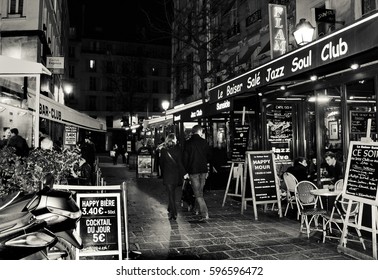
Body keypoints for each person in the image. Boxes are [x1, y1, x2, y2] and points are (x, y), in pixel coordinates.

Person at [183, 125, 212, 221]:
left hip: (193, 170)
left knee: (198, 193)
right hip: (203, 170)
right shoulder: (204, 142)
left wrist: (186, 171)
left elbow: (185, 158)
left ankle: (204, 213)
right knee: (200, 191)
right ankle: (196, 209)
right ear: (199, 131)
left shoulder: (188, 143)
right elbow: (209, 155)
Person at [160, 133, 187, 221]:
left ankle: (173, 213)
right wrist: (184, 173)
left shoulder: (163, 150)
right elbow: (180, 163)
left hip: (167, 175)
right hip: (176, 175)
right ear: (175, 140)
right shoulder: (178, 149)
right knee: (173, 193)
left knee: (171, 194)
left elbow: (161, 164)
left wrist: (163, 172)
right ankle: (171, 209)